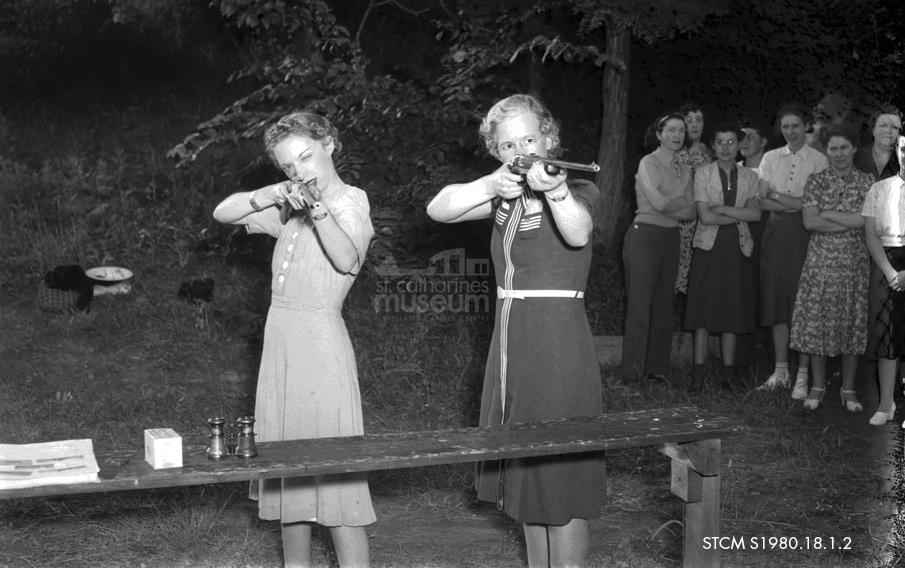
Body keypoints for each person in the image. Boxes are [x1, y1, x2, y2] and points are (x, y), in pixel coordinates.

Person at [426, 94, 603, 568]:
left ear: (550, 138)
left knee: (560, 474)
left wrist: (556, 191)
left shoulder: (578, 187)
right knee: (526, 471)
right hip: (510, 341)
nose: (520, 150)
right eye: (507, 145)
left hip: (556, 341)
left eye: (529, 138)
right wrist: (491, 184)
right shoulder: (504, 193)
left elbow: (578, 232)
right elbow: (438, 209)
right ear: (497, 151)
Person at [213, 111, 375, 568]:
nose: (300, 171)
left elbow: (346, 260)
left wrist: (317, 210)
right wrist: (275, 193)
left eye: (306, 157)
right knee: (289, 483)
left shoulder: (349, 201)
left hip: (321, 348)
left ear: (330, 144)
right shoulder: (288, 209)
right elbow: (222, 212)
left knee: (336, 486)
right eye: (289, 167)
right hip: (281, 346)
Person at [788, 123, 871, 411]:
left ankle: (848, 390)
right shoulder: (816, 181)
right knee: (817, 325)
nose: (838, 154)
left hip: (854, 266)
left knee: (852, 324)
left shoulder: (867, 182)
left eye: (843, 147)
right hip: (820, 265)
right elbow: (809, 221)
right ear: (827, 151)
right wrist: (848, 218)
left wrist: (828, 214)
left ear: (854, 149)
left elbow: (866, 221)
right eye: (833, 148)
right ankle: (817, 386)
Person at [755, 103, 829, 397]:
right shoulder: (771, 157)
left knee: (804, 304)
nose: (790, 132)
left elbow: (814, 206)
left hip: (805, 235)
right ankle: (780, 370)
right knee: (776, 300)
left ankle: (803, 374)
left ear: (806, 126)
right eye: (785, 126)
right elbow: (761, 200)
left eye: (795, 126)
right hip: (775, 235)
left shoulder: (819, 160)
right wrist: (794, 200)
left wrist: (778, 196)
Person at [684, 124, 761, 392]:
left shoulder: (750, 177)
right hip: (709, 248)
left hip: (738, 249)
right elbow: (705, 216)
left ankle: (727, 376)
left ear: (738, 145)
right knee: (702, 313)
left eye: (731, 142)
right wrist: (736, 212)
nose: (725, 147)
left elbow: (755, 215)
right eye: (720, 142)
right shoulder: (702, 174)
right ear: (713, 145)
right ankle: (698, 375)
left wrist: (723, 209)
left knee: (732, 310)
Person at [621, 113, 696, 384]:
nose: (677, 135)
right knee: (639, 307)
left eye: (681, 131)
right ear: (659, 134)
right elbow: (659, 203)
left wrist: (671, 201)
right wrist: (677, 202)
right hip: (645, 237)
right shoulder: (648, 163)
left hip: (671, 237)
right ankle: (632, 372)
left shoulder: (684, 168)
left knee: (664, 306)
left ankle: (657, 369)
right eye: (671, 130)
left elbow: (691, 210)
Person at [861, 134, 905, 426]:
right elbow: (870, 234)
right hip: (887, 267)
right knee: (887, 334)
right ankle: (886, 403)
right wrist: (891, 272)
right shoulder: (879, 189)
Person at [674, 102, 713, 296]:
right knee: (676, 272)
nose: (695, 125)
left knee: (697, 277)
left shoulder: (710, 152)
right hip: (682, 222)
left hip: (705, 223)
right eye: (690, 121)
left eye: (699, 120)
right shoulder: (678, 153)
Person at [854, 105, 902, 182]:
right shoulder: (853, 157)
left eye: (895, 127)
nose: (888, 131)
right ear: (873, 129)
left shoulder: (902, 161)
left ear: (899, 133)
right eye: (883, 125)